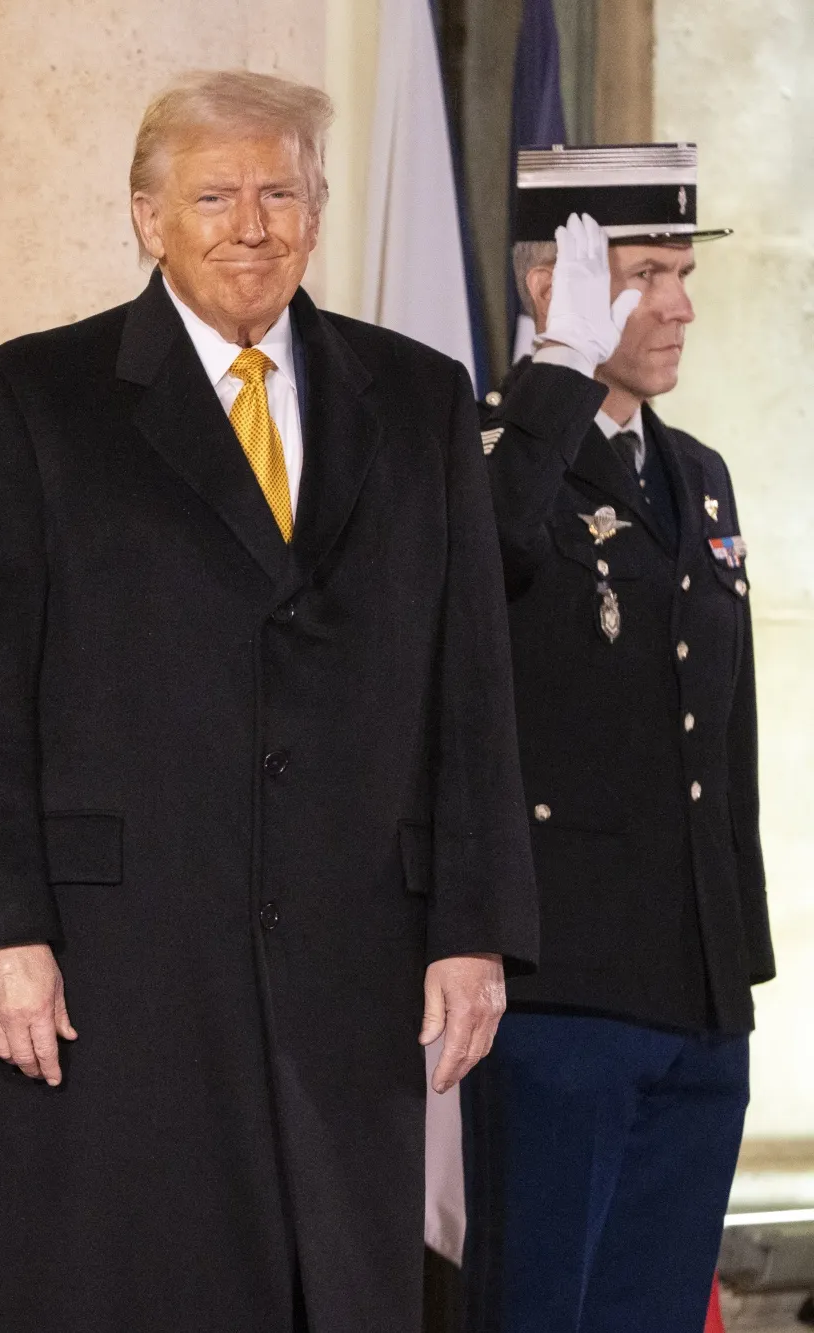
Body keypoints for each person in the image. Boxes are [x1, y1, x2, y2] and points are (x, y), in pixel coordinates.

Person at [0, 70, 539, 1331]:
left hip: (352, 956)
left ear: (315, 212)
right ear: (146, 219)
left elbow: (469, 685)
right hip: (112, 962)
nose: (251, 223)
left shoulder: (415, 400)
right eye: (213, 194)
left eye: (280, 192)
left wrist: (473, 927)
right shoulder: (28, 397)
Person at [460, 146, 770, 1333]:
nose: (681, 305)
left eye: (683, 272)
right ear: (557, 287)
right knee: (543, 1306)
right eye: (647, 274)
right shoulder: (487, 454)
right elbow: (478, 567)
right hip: (560, 984)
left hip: (694, 982)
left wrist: (731, 960)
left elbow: (721, 736)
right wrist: (550, 377)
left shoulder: (698, 477)